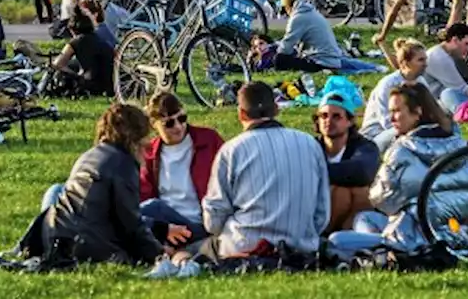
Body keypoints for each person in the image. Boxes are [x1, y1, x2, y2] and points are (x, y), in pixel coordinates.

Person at [328, 84, 468, 260]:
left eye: (396, 111)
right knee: (366, 218)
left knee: (337, 239)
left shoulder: (403, 150)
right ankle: (382, 252)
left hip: (413, 238)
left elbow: (381, 200)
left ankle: (385, 253)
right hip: (456, 233)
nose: (391, 118)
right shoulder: (457, 143)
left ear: (417, 112)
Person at [198, 82, 329, 261]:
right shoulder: (310, 144)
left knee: (194, 251)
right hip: (301, 247)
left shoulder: (232, 150)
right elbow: (322, 214)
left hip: (243, 247)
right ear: (276, 109)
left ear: (241, 114)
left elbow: (213, 220)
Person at [33, 103, 172, 266]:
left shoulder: (89, 155)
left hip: (55, 235)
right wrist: (159, 255)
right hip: (87, 245)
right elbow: (130, 224)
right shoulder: (123, 164)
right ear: (136, 136)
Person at [138, 92, 225, 246]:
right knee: (137, 212)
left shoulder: (209, 140)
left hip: (201, 223)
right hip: (167, 224)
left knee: (152, 207)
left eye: (182, 118)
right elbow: (143, 193)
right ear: (154, 124)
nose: (178, 126)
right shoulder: (149, 152)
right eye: (169, 124)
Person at [314, 92, 381, 232]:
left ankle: (342, 236)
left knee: (360, 192)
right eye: (323, 116)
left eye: (336, 116)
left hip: (351, 212)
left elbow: (362, 172)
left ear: (350, 121)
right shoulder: (310, 146)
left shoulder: (365, 147)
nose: (328, 121)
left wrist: (318, 172)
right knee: (342, 192)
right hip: (315, 206)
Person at [273, 0, 383, 74]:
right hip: (331, 57)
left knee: (279, 60)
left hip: (319, 61)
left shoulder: (298, 17)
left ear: (289, 6)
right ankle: (375, 68)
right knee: (349, 63)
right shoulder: (311, 11)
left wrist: (275, 51)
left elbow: (286, 47)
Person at [361, 39, 428, 151]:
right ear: (405, 63)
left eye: (426, 59)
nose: (426, 64)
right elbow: (387, 122)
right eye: (421, 60)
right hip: (377, 133)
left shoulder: (421, 82)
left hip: (408, 128)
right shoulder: (388, 84)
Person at [50, 9, 114, 96]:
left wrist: (74, 75)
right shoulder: (100, 39)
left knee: (60, 70)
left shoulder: (76, 41)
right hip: (108, 85)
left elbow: (58, 64)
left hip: (91, 86)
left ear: (72, 29)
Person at [423, 23, 468, 111]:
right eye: (466, 44)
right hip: (431, 105)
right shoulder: (439, 58)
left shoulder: (446, 54)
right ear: (454, 40)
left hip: (434, 102)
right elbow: (462, 89)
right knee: (449, 94)